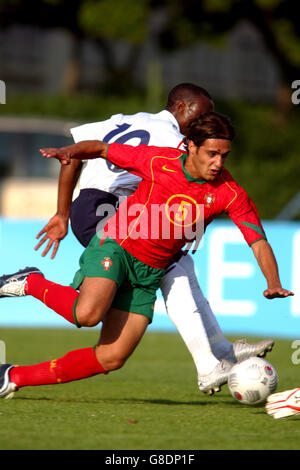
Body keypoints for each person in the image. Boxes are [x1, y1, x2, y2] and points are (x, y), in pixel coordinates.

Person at [0, 111, 293, 400]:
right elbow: (102, 148)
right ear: (191, 146)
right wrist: (69, 151)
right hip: (116, 246)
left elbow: (258, 240)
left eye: (224, 156)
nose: (218, 163)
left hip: (149, 274)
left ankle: (12, 377)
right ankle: (31, 282)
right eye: (212, 153)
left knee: (112, 357)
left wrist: (273, 281)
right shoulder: (159, 161)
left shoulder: (230, 192)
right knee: (87, 314)